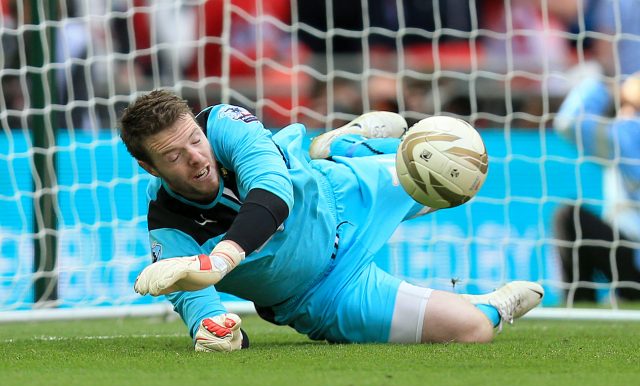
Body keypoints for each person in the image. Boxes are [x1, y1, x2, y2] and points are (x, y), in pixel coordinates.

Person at [119, 89, 544, 352]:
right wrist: (215, 330)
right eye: (174, 156)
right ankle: (489, 304)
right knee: (470, 330)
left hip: (341, 194)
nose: (196, 156)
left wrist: (224, 257)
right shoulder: (168, 224)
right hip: (323, 295)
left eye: (194, 140)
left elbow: (272, 191)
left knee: (452, 177)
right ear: (149, 167)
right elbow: (195, 301)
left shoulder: (223, 124)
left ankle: (346, 145)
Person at [553, 72, 640, 302]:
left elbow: (568, 122)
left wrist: (609, 88)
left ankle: (579, 300)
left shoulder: (630, 133)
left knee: (569, 216)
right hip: (629, 260)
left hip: (631, 261)